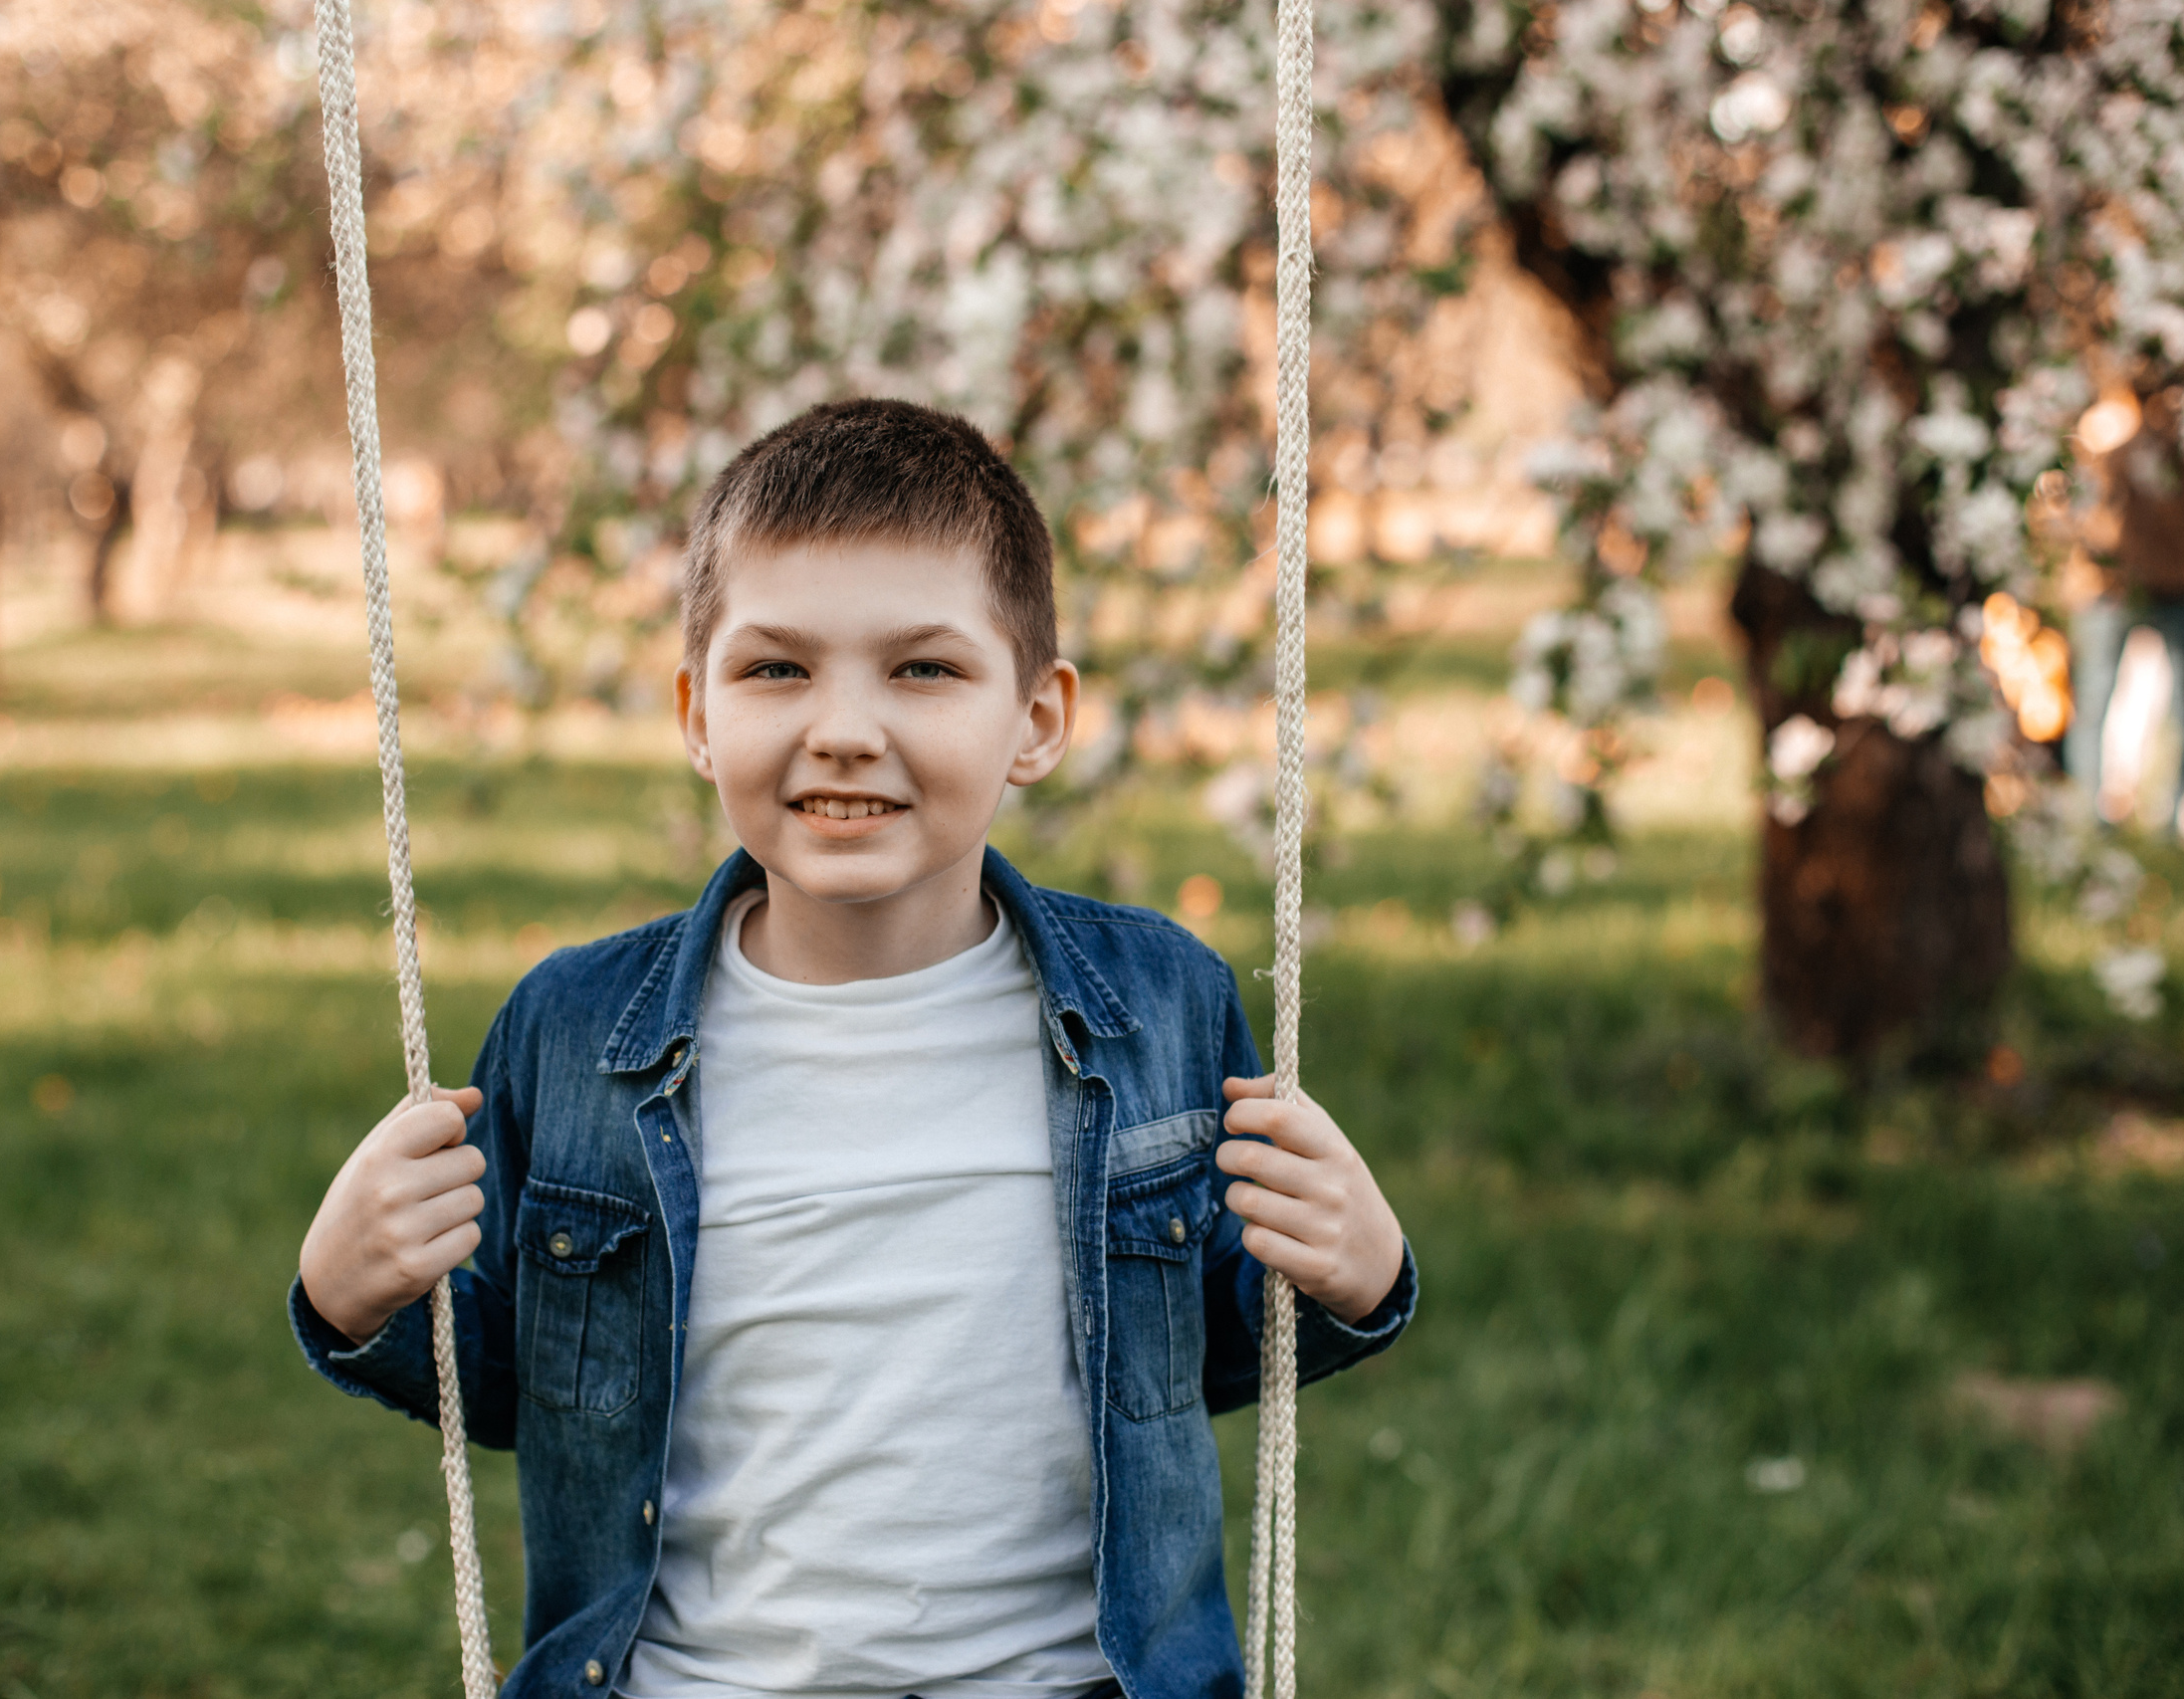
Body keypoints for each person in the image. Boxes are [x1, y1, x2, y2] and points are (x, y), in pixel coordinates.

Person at [291, 399, 1417, 1699]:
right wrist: (355, 1294)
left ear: (1038, 718)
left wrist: (1352, 1272)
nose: (842, 726)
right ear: (697, 712)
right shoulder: (576, 1028)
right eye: (777, 668)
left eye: (923, 669)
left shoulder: (1158, 998)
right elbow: (539, 1389)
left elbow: (1182, 1353)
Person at [2063, 397, 2184, 838]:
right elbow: (2089, 517)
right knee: (2095, 699)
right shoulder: (2106, 447)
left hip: (2167, 582)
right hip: (2110, 587)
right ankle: (2088, 815)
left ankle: (2176, 812)